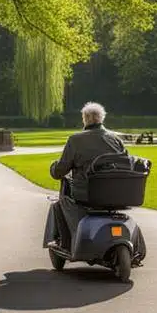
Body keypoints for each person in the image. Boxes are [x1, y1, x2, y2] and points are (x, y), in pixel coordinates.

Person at [46, 102, 125, 249]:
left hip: (87, 194)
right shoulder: (115, 139)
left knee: (60, 202)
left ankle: (63, 242)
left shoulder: (75, 140)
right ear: (102, 118)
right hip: (115, 192)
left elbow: (60, 171)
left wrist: (53, 168)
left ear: (85, 119)